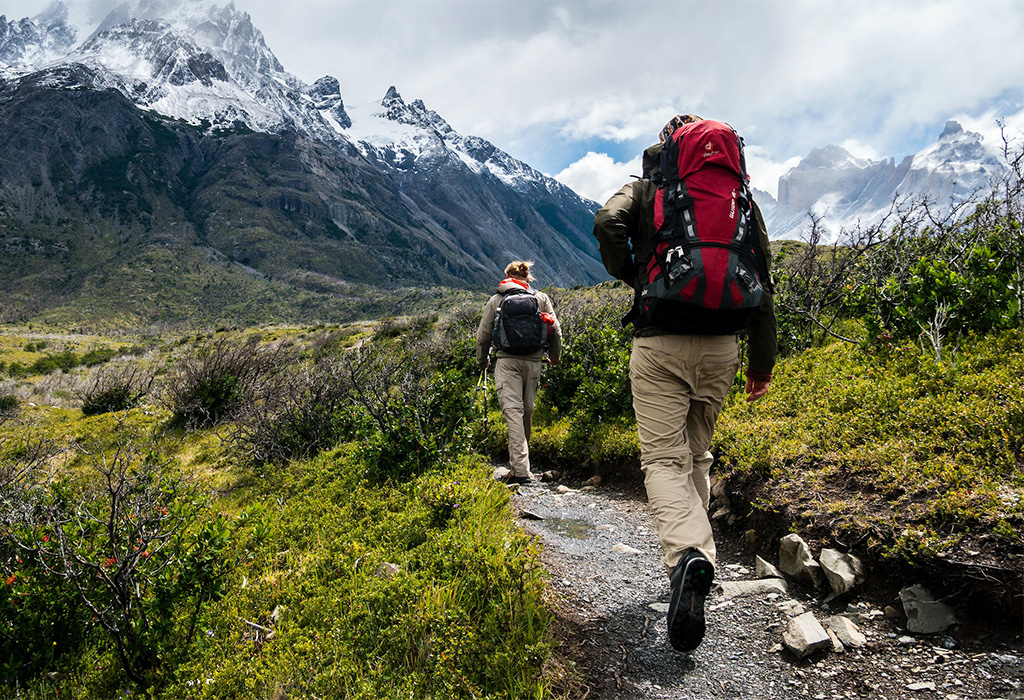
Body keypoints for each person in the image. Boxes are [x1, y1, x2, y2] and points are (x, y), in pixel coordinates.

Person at [592, 114, 777, 652]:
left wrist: (633, 273)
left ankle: (688, 557)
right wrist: (761, 365)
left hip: (661, 341)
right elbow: (763, 278)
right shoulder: (740, 199)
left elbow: (607, 223)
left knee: (663, 461)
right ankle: (695, 563)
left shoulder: (649, 188)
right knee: (697, 455)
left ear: (669, 146)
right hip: (723, 347)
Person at [476, 261, 562, 485]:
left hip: (507, 362)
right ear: (528, 278)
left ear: (506, 276)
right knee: (526, 411)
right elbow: (556, 330)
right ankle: (522, 465)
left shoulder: (496, 300)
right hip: (534, 361)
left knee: (513, 412)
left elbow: (483, 335)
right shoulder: (540, 298)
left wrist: (483, 361)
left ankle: (521, 471)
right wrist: (554, 357)